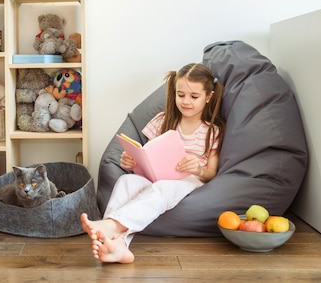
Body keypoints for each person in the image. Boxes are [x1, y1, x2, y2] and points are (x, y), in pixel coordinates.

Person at [81, 63, 225, 263]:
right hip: (156, 178)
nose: (185, 101)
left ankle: (111, 226)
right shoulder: (163, 120)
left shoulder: (212, 130)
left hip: (189, 181)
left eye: (194, 97)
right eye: (180, 94)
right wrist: (131, 162)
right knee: (125, 182)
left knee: (162, 188)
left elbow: (212, 173)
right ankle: (119, 246)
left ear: (208, 97)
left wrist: (199, 169)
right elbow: (149, 155)